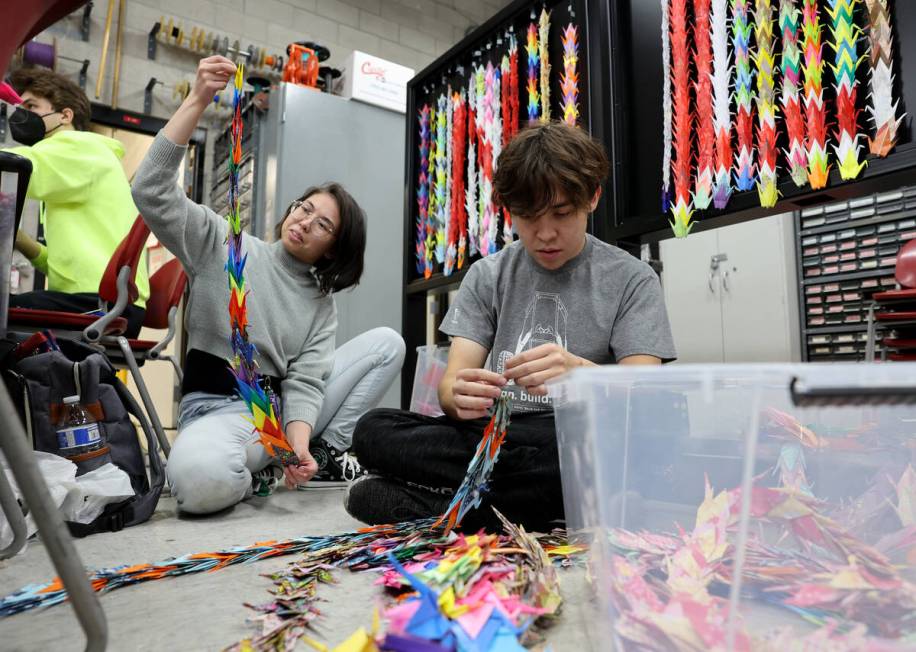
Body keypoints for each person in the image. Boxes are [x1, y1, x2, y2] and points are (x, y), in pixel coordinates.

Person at [346, 121, 676, 531]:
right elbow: (450, 390)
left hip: (577, 435)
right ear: (509, 210)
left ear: (592, 198)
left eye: (562, 213)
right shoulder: (488, 275)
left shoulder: (632, 278)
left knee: (627, 448)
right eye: (527, 216)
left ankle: (448, 506)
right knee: (373, 430)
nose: (545, 234)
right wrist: (459, 397)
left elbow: (644, 396)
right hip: (497, 434)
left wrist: (581, 375)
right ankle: (542, 506)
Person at [131, 56, 405, 515]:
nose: (303, 222)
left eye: (323, 225)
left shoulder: (320, 304)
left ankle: (321, 453)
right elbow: (151, 190)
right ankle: (256, 470)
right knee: (199, 483)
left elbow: (305, 383)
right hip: (218, 409)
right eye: (303, 208)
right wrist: (198, 98)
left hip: (273, 414)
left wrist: (296, 444)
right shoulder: (225, 242)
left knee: (387, 344)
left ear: (334, 250)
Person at [5, 67, 149, 337]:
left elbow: (20, 165)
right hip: (107, 300)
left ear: (65, 115)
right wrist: (21, 240)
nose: (21, 115)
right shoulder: (77, 161)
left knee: (4, 314)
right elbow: (63, 266)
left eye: (31, 106)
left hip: (101, 304)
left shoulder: (77, 147)